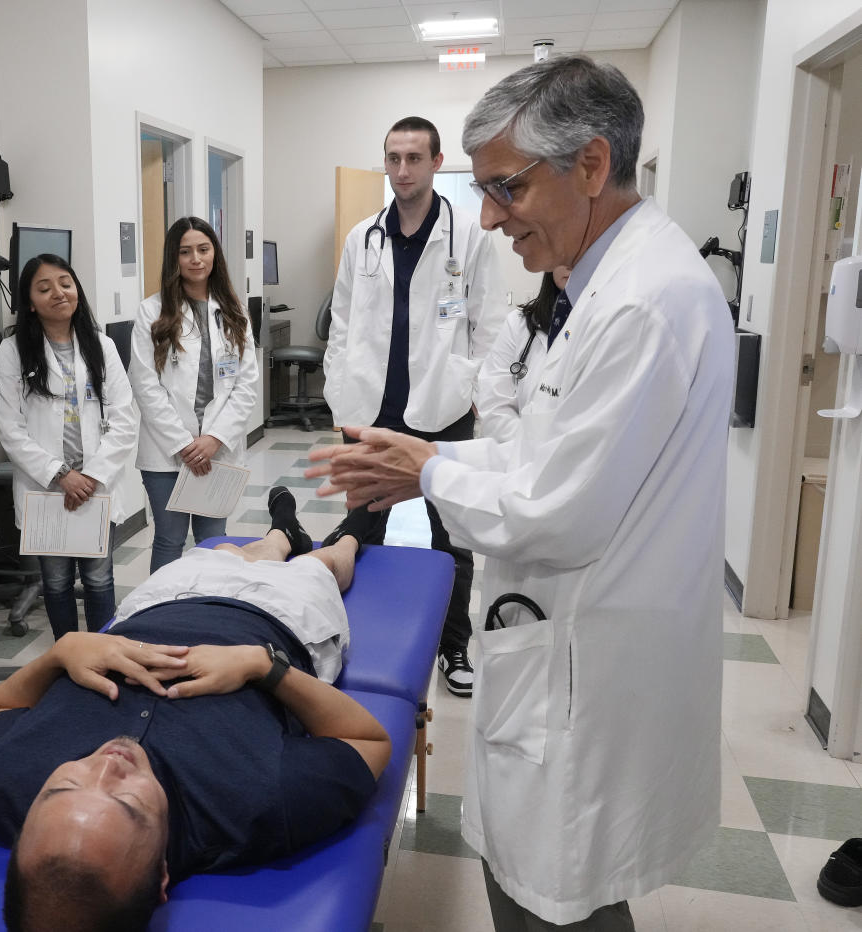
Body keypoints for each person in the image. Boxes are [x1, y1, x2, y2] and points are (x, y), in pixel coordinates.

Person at [307, 56, 733, 930]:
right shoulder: (603, 282)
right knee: (546, 882)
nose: (493, 218)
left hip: (586, 659)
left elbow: (556, 513)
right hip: (564, 643)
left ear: (592, 165)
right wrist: (432, 453)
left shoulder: (641, 303)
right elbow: (540, 455)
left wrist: (425, 471)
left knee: (554, 895)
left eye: (506, 188)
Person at [0, 488, 390, 932]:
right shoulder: (255, 806)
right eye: (127, 802)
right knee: (319, 566)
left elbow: (2, 704)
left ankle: (282, 531)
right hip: (278, 620)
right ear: (161, 874)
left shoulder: (0, 782)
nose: (107, 764)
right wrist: (262, 666)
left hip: (157, 604)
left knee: (225, 551)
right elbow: (367, 740)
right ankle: (353, 532)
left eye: (64, 785)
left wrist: (61, 652)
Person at [324, 115, 508, 698]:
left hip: (442, 406)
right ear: (385, 162)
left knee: (449, 534)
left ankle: (454, 647)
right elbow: (344, 322)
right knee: (361, 525)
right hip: (370, 407)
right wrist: (338, 389)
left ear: (434, 162)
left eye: (414, 158)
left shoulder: (468, 236)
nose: (402, 169)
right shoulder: (363, 238)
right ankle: (348, 636)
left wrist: (470, 391)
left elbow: (490, 323)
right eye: (393, 157)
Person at [0, 254, 138, 637]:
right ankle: (67, 655)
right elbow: (9, 427)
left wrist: (90, 476)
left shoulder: (102, 346)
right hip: (47, 487)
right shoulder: (13, 351)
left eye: (65, 283)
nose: (58, 292)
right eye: (44, 288)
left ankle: (103, 652)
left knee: (99, 578)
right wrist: (60, 476)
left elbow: (125, 419)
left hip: (93, 484)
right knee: (55, 582)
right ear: (29, 302)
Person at [129, 216, 258, 572]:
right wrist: (184, 445)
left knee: (214, 543)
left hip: (218, 450)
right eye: (186, 252)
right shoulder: (152, 312)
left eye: (203, 249)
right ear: (174, 258)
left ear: (214, 252)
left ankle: (206, 614)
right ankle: (160, 617)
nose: (196, 259)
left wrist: (214, 439)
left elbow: (246, 385)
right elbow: (145, 386)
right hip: (167, 452)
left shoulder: (234, 310)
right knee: (169, 541)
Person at [474, 265, 569, 442]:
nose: (570, 264)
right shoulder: (518, 323)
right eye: (563, 255)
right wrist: (529, 448)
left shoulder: (607, 323)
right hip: (515, 455)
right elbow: (494, 405)